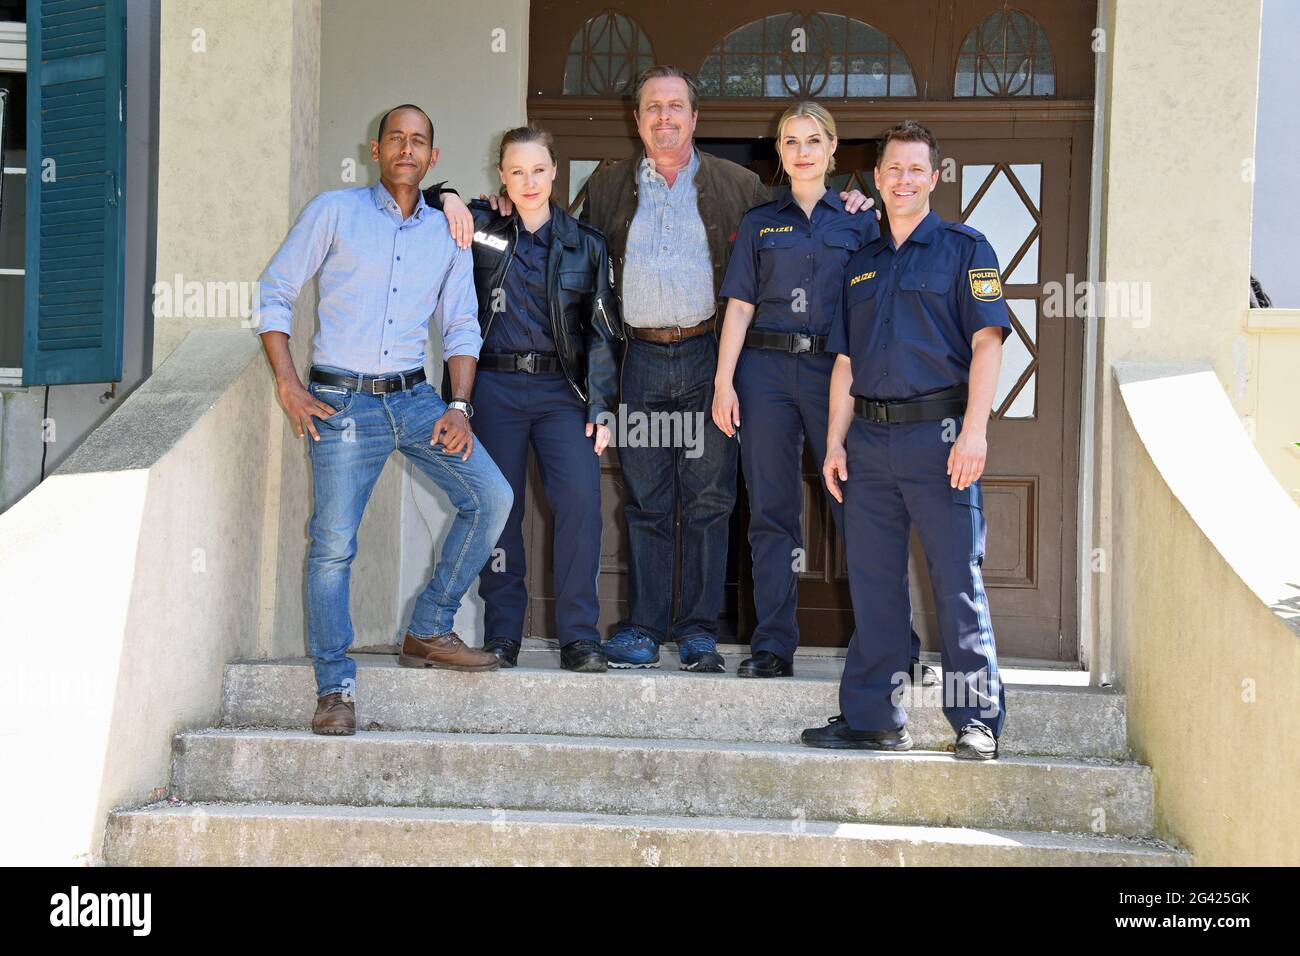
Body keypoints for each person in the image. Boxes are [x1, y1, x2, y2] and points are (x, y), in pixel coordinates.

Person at [576, 65, 872, 671]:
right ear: (637, 119)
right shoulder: (607, 188)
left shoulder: (738, 184)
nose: (664, 117)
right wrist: (480, 204)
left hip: (710, 358)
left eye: (675, 106)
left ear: (694, 117)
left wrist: (854, 197)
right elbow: (563, 242)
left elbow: (801, 220)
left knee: (710, 498)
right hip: (639, 362)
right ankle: (643, 627)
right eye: (652, 107)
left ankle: (698, 631)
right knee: (646, 498)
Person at [256, 104, 512, 737]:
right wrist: (288, 384)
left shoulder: (447, 232)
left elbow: (460, 324)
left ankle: (428, 626)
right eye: (395, 138)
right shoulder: (333, 211)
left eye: (418, 140)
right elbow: (275, 292)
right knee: (334, 545)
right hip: (341, 402)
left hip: (416, 399)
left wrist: (458, 405)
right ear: (376, 149)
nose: (406, 148)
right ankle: (334, 688)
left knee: (491, 495)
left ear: (433, 157)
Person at [802, 120, 1009, 759]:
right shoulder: (859, 264)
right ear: (878, 177)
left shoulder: (965, 248)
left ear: (934, 178)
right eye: (893, 169)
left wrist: (974, 431)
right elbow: (844, 362)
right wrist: (835, 443)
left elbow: (989, 342)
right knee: (873, 582)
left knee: (955, 579)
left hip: (941, 440)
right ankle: (874, 718)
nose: (904, 179)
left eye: (916, 169)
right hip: (869, 442)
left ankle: (976, 723)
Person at [713, 102, 930, 681]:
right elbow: (739, 306)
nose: (803, 150)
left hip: (837, 377)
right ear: (779, 153)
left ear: (833, 150)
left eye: (814, 140)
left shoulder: (862, 221)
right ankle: (772, 646)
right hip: (765, 374)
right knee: (771, 513)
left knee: (860, 509)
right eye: (791, 141)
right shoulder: (761, 223)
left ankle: (896, 647)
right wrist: (723, 382)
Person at [430, 125, 622, 673]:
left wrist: (602, 404)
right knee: (499, 510)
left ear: (555, 171)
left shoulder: (587, 243)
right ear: (502, 178)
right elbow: (420, 199)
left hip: (564, 392)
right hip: (494, 390)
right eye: (516, 172)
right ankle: (503, 635)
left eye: (538, 170)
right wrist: (446, 194)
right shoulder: (483, 228)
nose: (529, 181)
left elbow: (603, 332)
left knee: (581, 507)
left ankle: (579, 637)